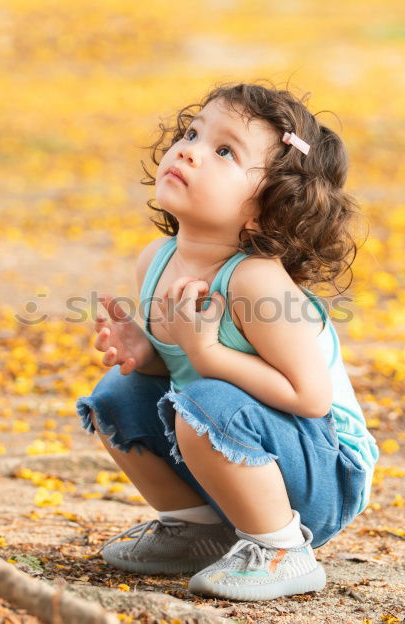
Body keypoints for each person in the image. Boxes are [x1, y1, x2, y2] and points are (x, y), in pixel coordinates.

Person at [75, 81, 379, 601]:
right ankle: (198, 531)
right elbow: (179, 375)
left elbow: (310, 398)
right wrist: (147, 356)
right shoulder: (156, 260)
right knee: (116, 395)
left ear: (265, 209)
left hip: (323, 475)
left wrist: (207, 353)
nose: (189, 150)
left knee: (207, 402)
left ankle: (282, 550)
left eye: (223, 151)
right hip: (239, 459)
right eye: (193, 133)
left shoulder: (256, 281)